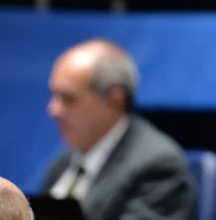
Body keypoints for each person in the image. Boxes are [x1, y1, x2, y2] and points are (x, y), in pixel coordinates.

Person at [41, 39, 196, 220]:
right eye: (54, 96)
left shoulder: (158, 166)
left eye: (68, 98)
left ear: (115, 100)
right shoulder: (64, 162)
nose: (53, 109)